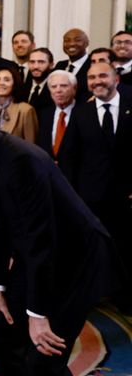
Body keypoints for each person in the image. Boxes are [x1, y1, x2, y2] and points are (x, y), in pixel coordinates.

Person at [0, 90, 121, 376]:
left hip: (77, 258)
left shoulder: (20, 159)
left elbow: (42, 237)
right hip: (35, 251)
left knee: (44, 356)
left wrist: (36, 314)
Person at [57, 62, 132, 313]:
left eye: (102, 76)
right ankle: (90, 294)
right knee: (89, 249)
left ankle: (123, 296)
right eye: (91, 77)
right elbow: (68, 156)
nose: (97, 81)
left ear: (116, 80)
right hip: (89, 196)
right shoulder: (81, 112)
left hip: (126, 195)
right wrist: (71, 196)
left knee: (125, 246)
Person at [0, 67, 38, 143]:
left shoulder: (26, 110)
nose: (1, 83)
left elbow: (32, 147)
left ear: (15, 84)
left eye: (6, 80)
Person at [35, 70, 79, 160]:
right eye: (53, 87)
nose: (58, 90)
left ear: (74, 89)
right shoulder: (43, 114)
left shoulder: (84, 113)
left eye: (63, 86)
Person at [54, 28, 91, 103]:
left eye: (77, 40)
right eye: (67, 40)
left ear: (87, 43)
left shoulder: (93, 65)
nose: (71, 44)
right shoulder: (60, 66)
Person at [24, 48, 55, 112]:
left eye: (41, 62)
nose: (36, 66)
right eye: (32, 62)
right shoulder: (23, 87)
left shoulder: (55, 89)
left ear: (51, 65)